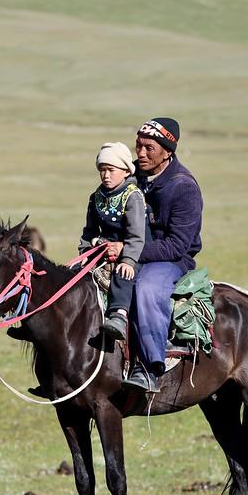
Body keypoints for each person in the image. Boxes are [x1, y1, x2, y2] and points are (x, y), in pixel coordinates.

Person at [108, 117, 204, 393]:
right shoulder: (132, 176)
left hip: (170, 260)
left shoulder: (183, 187)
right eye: (138, 146)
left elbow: (176, 246)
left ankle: (150, 367)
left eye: (149, 148)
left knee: (146, 287)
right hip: (127, 250)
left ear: (167, 152)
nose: (140, 153)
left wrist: (128, 251)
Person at [79, 142, 147, 341]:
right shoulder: (96, 197)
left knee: (122, 274)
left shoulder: (132, 196)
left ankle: (119, 315)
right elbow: (89, 231)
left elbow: (136, 236)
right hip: (102, 249)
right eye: (102, 170)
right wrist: (84, 254)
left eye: (111, 170)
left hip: (132, 250)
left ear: (126, 171)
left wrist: (128, 260)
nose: (106, 175)